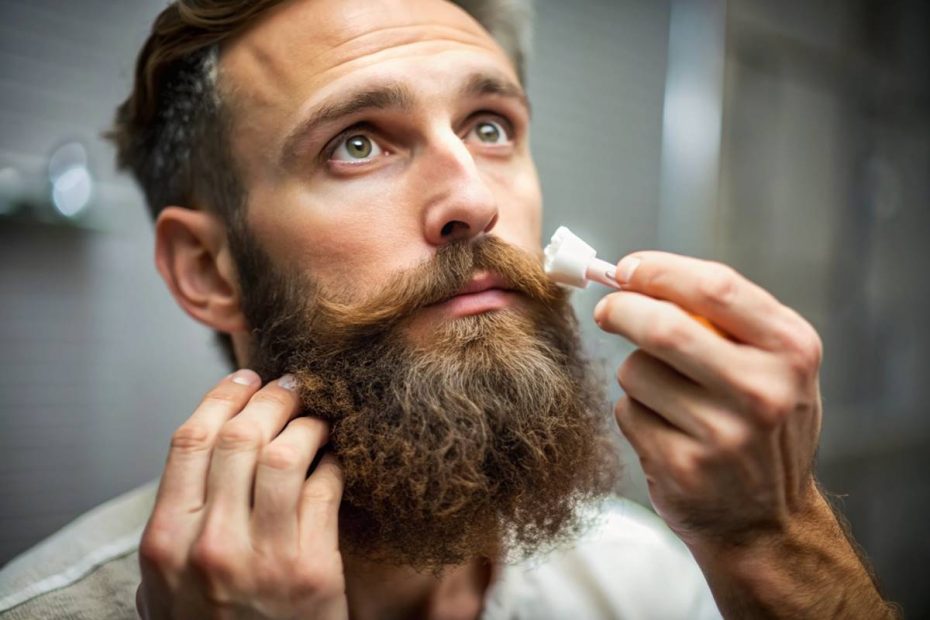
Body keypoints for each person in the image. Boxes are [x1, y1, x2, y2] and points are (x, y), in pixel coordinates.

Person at [0, 0, 899, 618]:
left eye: (490, 125)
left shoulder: (642, 581)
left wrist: (776, 541)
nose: (474, 198)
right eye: (357, 143)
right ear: (207, 266)